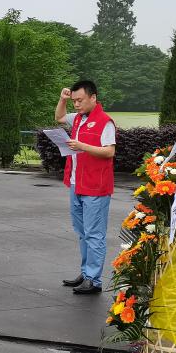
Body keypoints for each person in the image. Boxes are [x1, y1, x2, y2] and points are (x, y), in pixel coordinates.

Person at [54, 80, 117, 296]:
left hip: (96, 186)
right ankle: (86, 273)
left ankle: (94, 279)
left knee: (94, 234)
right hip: (76, 183)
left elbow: (109, 151)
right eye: (74, 101)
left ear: (93, 97)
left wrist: (82, 146)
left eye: (80, 100)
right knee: (82, 233)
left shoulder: (105, 122)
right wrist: (62, 99)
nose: (77, 105)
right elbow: (59, 118)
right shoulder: (78, 119)